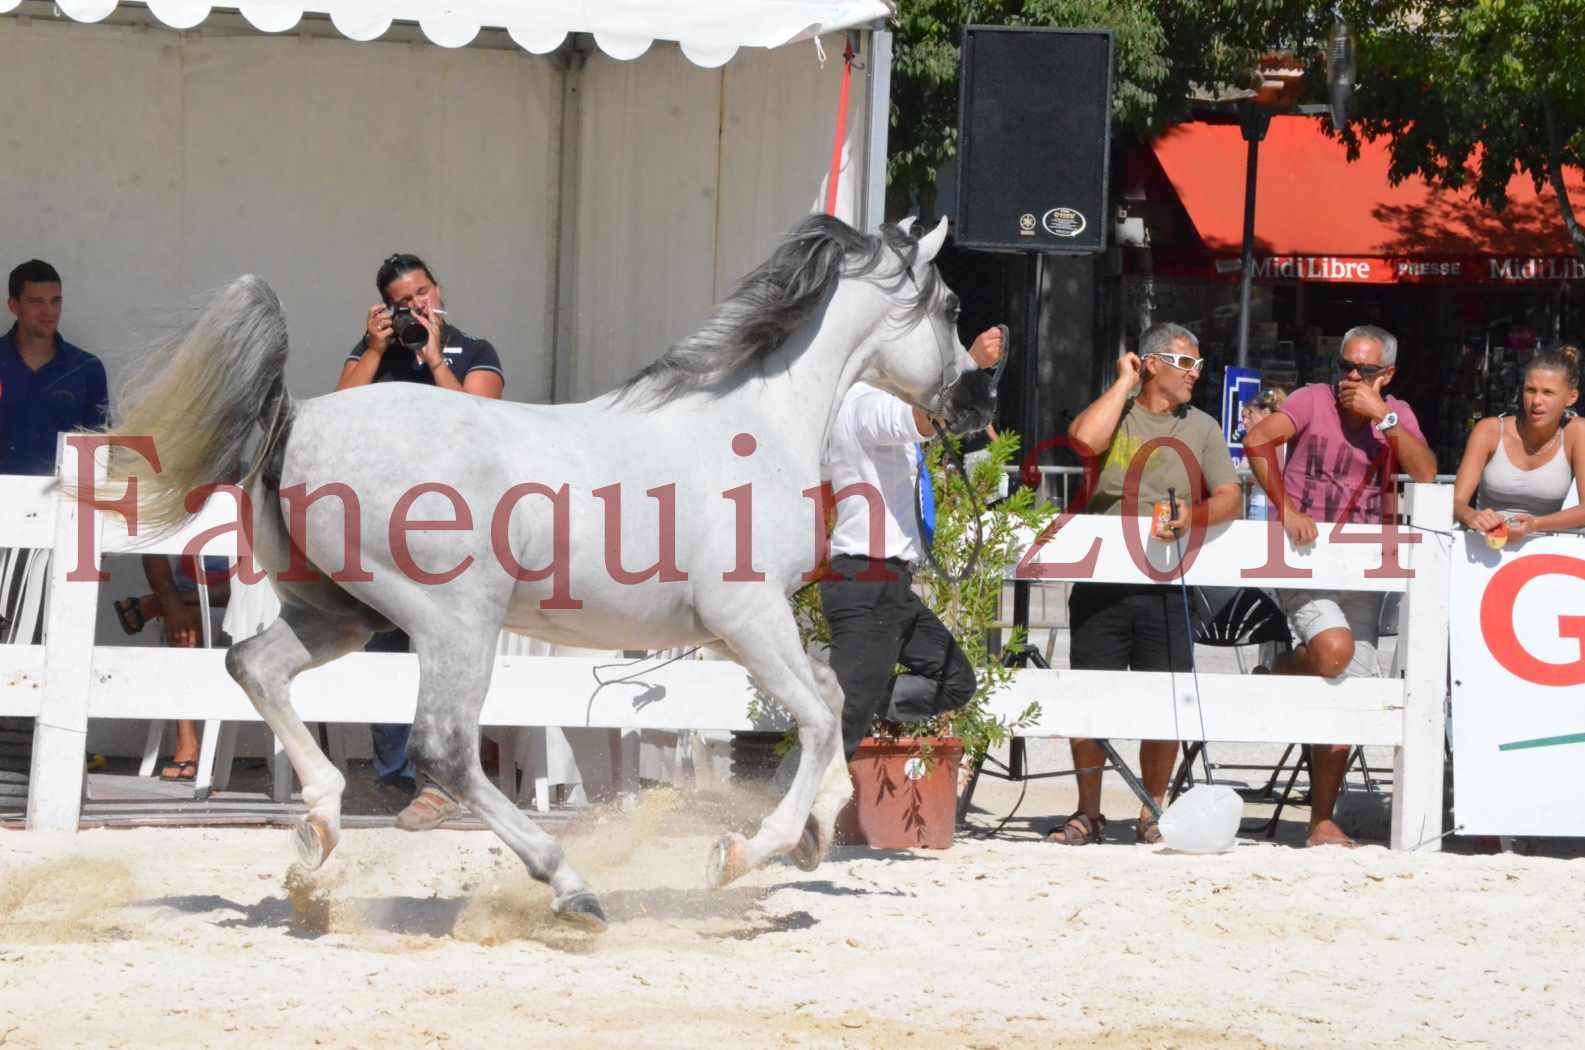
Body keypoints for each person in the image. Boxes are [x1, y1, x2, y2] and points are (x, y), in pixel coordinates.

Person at [1243, 324, 1437, 847]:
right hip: (1306, 559)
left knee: (1348, 685)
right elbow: (1257, 439)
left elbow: (1424, 472)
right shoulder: (1310, 399)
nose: (1350, 377)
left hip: (1364, 568)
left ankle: (1321, 821)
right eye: (1345, 366)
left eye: (1364, 370)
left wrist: (1384, 416)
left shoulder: (1396, 413)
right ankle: (1285, 668)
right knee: (1334, 652)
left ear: (1387, 375)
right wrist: (1286, 508)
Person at [1054, 322, 1242, 846]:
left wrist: (1195, 516)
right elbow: (1082, 441)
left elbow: (1230, 496)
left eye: (1199, 365)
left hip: (1167, 581)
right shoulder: (1119, 414)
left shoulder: (1202, 427)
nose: (1196, 375)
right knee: (1092, 697)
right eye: (1186, 364)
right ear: (1152, 363)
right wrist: (1123, 383)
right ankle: (1088, 813)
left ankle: (1150, 809)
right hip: (1101, 579)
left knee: (1165, 700)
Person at [336, 253, 503, 829]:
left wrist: (433, 359)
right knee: (383, 644)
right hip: (385, 525)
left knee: (449, 651)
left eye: (424, 293)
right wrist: (379, 348)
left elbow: (481, 421)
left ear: (439, 288)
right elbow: (337, 411)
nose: (418, 307)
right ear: (387, 307)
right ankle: (394, 777)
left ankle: (449, 776)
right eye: (405, 302)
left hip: (454, 526)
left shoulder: (473, 349)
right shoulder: (374, 350)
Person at [820, 326, 1004, 762]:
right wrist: (970, 366)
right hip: (868, 583)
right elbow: (927, 420)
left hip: (889, 587)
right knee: (840, 732)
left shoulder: (870, 404)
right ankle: (782, 815)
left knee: (955, 680)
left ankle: (856, 697)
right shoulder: (865, 404)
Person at [114, 555, 231, 780]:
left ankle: (151, 606)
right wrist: (172, 604)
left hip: (244, 609)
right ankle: (187, 743)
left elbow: (255, 585)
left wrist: (168, 603)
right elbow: (152, 554)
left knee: (248, 587)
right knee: (186, 628)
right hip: (192, 608)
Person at [1453, 344, 1585, 542]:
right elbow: (1455, 501)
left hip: (1544, 550)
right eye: (1530, 390)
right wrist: (1471, 516)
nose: (1536, 401)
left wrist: (1535, 525)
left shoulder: (1577, 432)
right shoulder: (1489, 430)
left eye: (1548, 393)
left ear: (1571, 397)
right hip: (1485, 546)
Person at [1, 260, 109, 475]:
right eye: (36, 302)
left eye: (55, 301)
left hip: (63, 502)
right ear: (14, 306)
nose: (49, 311)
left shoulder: (87, 369)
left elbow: (99, 451)